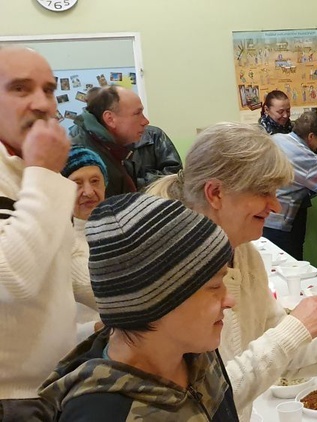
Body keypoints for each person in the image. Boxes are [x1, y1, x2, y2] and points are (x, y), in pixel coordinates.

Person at [145, 122, 317, 421]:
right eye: (263, 192)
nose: (275, 206)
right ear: (215, 193)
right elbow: (206, 397)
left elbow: (288, 356)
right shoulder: (172, 274)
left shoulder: (244, 255)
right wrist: (293, 330)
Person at [39, 193, 241, 421]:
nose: (230, 300)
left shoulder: (197, 352)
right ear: (157, 301)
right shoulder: (103, 413)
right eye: (214, 286)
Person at [0, 45, 96, 421]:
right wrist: (43, 172)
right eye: (20, 89)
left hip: (52, 383)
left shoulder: (34, 170)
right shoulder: (39, 172)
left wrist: (137, 302)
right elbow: (12, 281)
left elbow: (67, 261)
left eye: (49, 89)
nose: (42, 104)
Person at [263, 111, 317, 260]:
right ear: (311, 136)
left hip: (262, 217)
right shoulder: (307, 159)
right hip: (280, 224)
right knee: (291, 267)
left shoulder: (276, 139)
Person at [60, 145, 108, 338]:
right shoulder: (61, 241)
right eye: (77, 184)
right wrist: (96, 328)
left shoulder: (122, 230)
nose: (88, 192)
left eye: (95, 181)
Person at [70, 85, 150, 197]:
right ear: (110, 119)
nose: (145, 121)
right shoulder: (85, 159)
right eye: (137, 113)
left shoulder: (115, 149)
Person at [128, 125, 183, 190]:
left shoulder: (154, 134)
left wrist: (138, 183)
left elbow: (173, 174)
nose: (145, 121)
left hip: (155, 195)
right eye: (137, 114)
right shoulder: (114, 144)